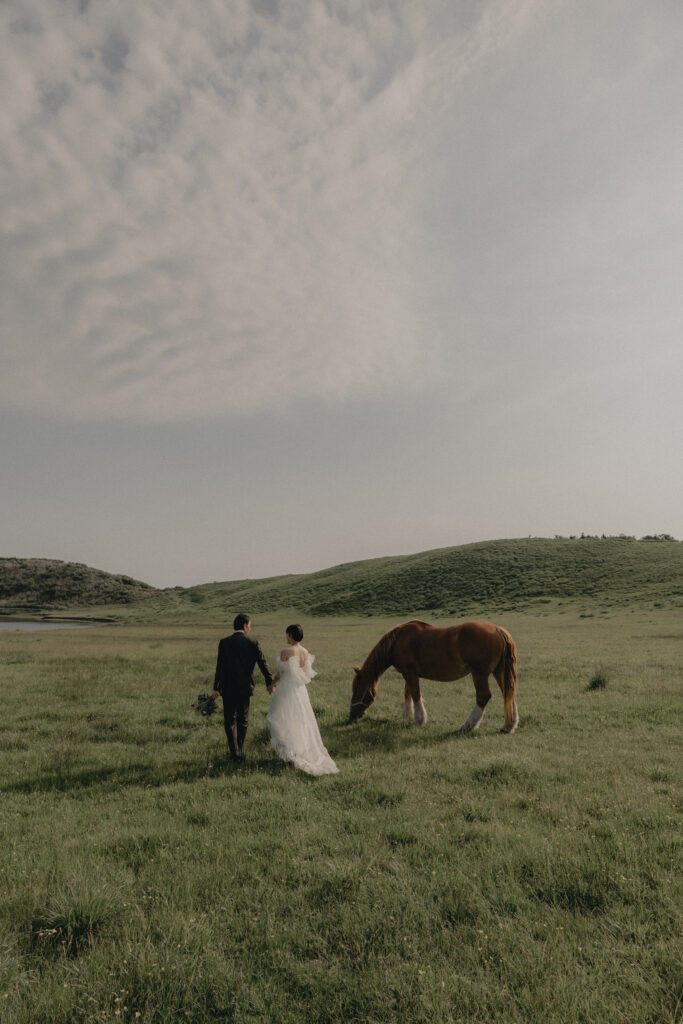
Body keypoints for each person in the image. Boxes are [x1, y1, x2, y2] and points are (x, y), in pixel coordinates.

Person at [267, 624, 338, 776]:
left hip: (286, 690)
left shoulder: (286, 651)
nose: (285, 636)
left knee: (278, 718)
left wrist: (272, 684)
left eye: (287, 634)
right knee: (300, 720)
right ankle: (296, 750)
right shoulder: (305, 652)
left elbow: (279, 673)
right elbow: (306, 675)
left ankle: (287, 751)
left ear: (291, 635)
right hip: (300, 691)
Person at [212, 613, 273, 764]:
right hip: (245, 687)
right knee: (243, 720)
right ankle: (239, 748)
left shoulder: (224, 642)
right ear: (245, 626)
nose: (250, 629)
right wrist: (269, 681)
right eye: (250, 626)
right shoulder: (252, 642)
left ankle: (235, 753)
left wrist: (216, 688)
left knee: (229, 720)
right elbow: (262, 663)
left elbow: (220, 667)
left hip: (227, 687)